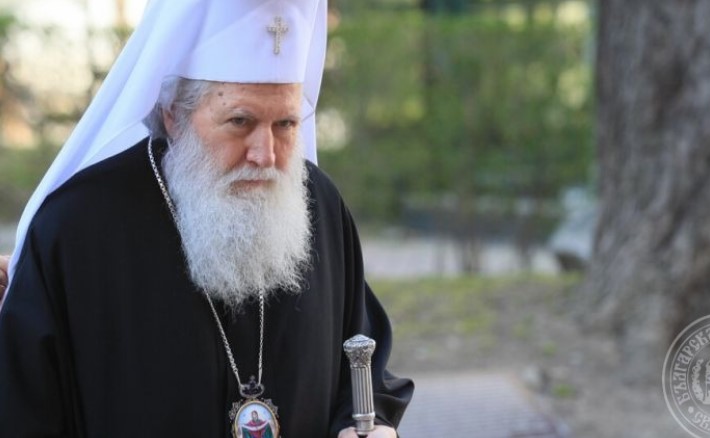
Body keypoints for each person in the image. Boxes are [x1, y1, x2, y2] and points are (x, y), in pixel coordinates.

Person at [0, 1, 413, 437]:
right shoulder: (77, 227)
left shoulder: (319, 205)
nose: (266, 155)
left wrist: (369, 424)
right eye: (241, 121)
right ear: (174, 115)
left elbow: (362, 363)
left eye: (285, 124)